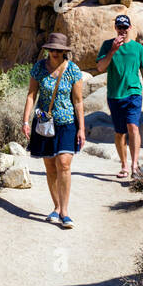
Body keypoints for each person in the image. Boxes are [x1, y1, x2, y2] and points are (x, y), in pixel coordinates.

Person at [22, 32, 85, 226]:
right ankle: (56, 207)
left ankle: (65, 212)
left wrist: (82, 129)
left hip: (67, 123)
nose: (55, 53)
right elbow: (31, 95)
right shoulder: (39, 68)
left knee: (64, 164)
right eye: (52, 49)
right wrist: (25, 121)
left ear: (64, 51)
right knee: (50, 166)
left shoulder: (73, 70)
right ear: (48, 49)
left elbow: (78, 101)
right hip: (44, 122)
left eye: (59, 50)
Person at [95, 13, 143, 180]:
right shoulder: (107, 45)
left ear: (130, 28)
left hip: (133, 92)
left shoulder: (137, 48)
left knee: (133, 127)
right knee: (120, 132)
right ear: (115, 28)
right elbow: (100, 67)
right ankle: (124, 165)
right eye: (119, 27)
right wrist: (113, 50)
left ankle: (135, 166)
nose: (122, 30)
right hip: (115, 94)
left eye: (125, 27)